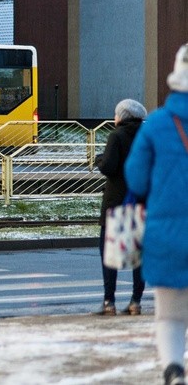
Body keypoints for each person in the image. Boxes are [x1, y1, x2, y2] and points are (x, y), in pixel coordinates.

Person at [125, 44, 188, 385]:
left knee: (171, 315)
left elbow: (135, 177)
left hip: (166, 234)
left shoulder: (156, 124)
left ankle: (174, 370)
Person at [93, 98, 147, 316]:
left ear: (123, 116)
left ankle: (109, 302)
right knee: (138, 254)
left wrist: (99, 160)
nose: (114, 117)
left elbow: (109, 167)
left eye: (116, 114)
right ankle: (136, 301)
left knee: (109, 252)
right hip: (140, 199)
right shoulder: (146, 135)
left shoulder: (116, 136)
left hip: (116, 202)